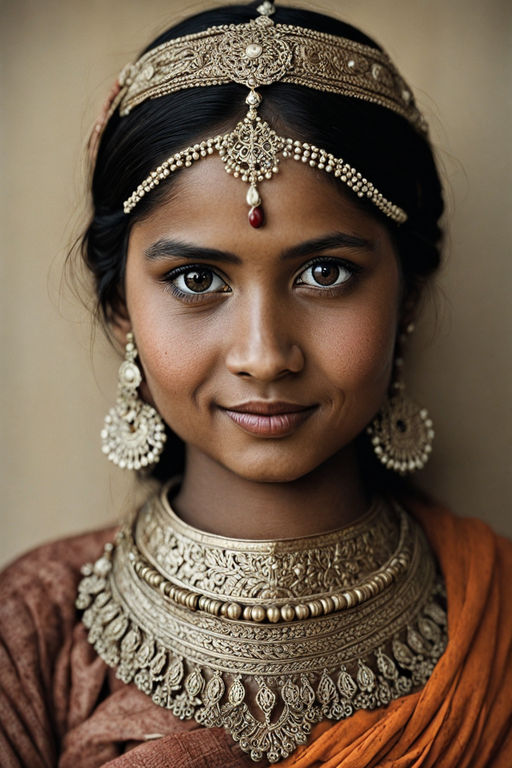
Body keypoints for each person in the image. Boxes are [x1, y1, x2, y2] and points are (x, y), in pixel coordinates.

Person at [0, 1, 510, 766]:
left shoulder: (496, 618)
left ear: (407, 296)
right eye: (197, 278)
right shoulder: (31, 631)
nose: (264, 355)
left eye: (325, 273)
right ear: (119, 310)